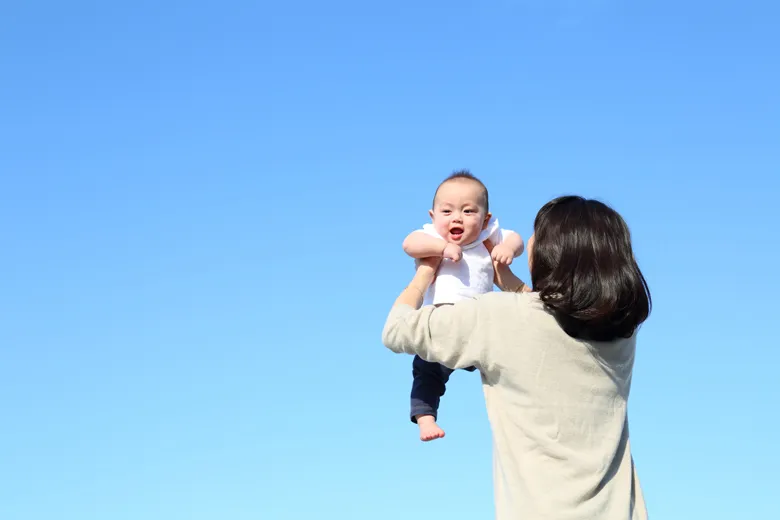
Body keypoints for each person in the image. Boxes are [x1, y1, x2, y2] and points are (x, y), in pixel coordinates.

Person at [382, 195, 651, 519]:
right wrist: (508, 282)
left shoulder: (497, 316)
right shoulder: (622, 332)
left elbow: (396, 330)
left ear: (551, 252)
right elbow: (552, 316)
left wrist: (424, 273)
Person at [401, 171, 524, 441]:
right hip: (441, 323)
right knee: (427, 371)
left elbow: (517, 239)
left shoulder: (488, 236)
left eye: (468, 211)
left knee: (507, 364)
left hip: (480, 324)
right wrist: (441, 248)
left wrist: (508, 250)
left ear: (485, 219)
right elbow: (409, 244)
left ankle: (519, 412)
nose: (456, 218)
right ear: (433, 216)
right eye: (447, 211)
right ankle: (425, 417)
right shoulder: (432, 235)